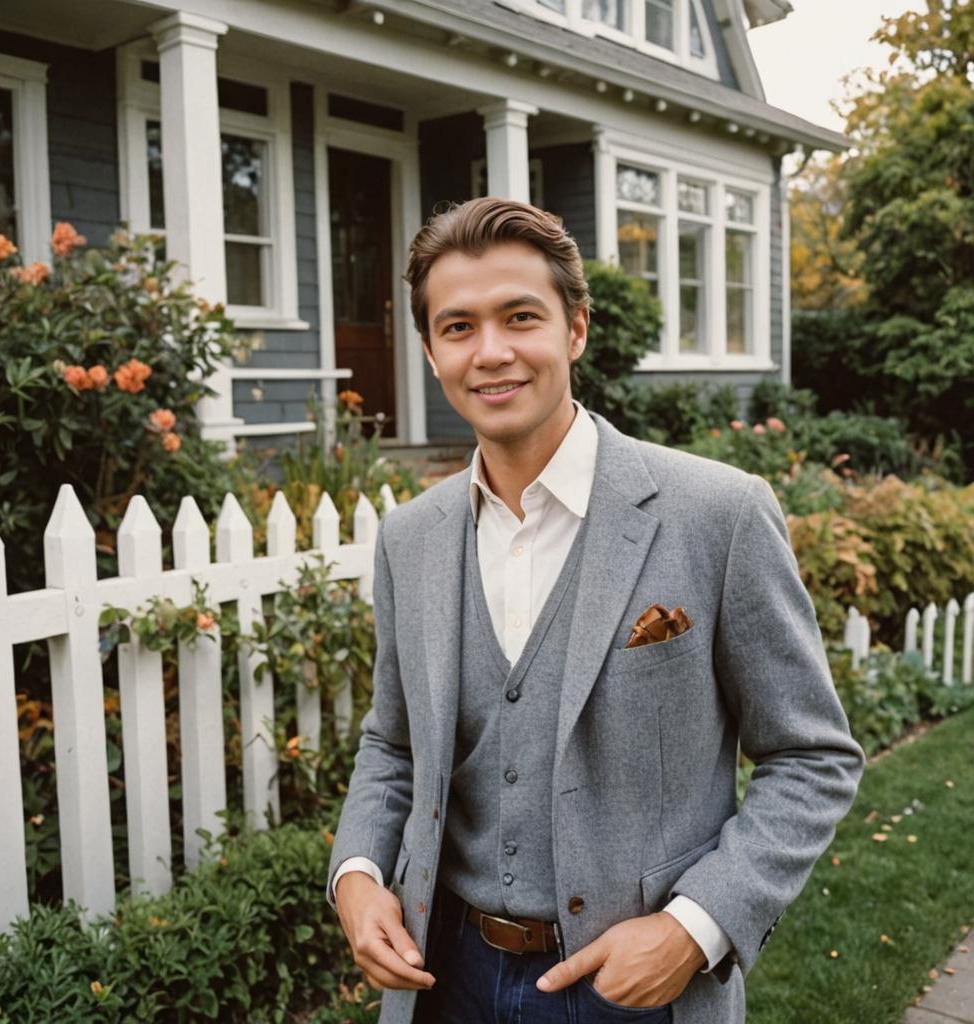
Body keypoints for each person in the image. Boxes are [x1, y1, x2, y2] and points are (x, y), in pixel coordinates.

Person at [326, 197, 864, 1024]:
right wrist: (358, 876)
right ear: (431, 350)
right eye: (459, 327)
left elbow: (812, 758)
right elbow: (391, 743)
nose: (492, 352)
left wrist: (695, 928)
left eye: (520, 317)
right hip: (445, 982)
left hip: (640, 990)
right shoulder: (411, 538)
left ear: (575, 330)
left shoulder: (716, 513)